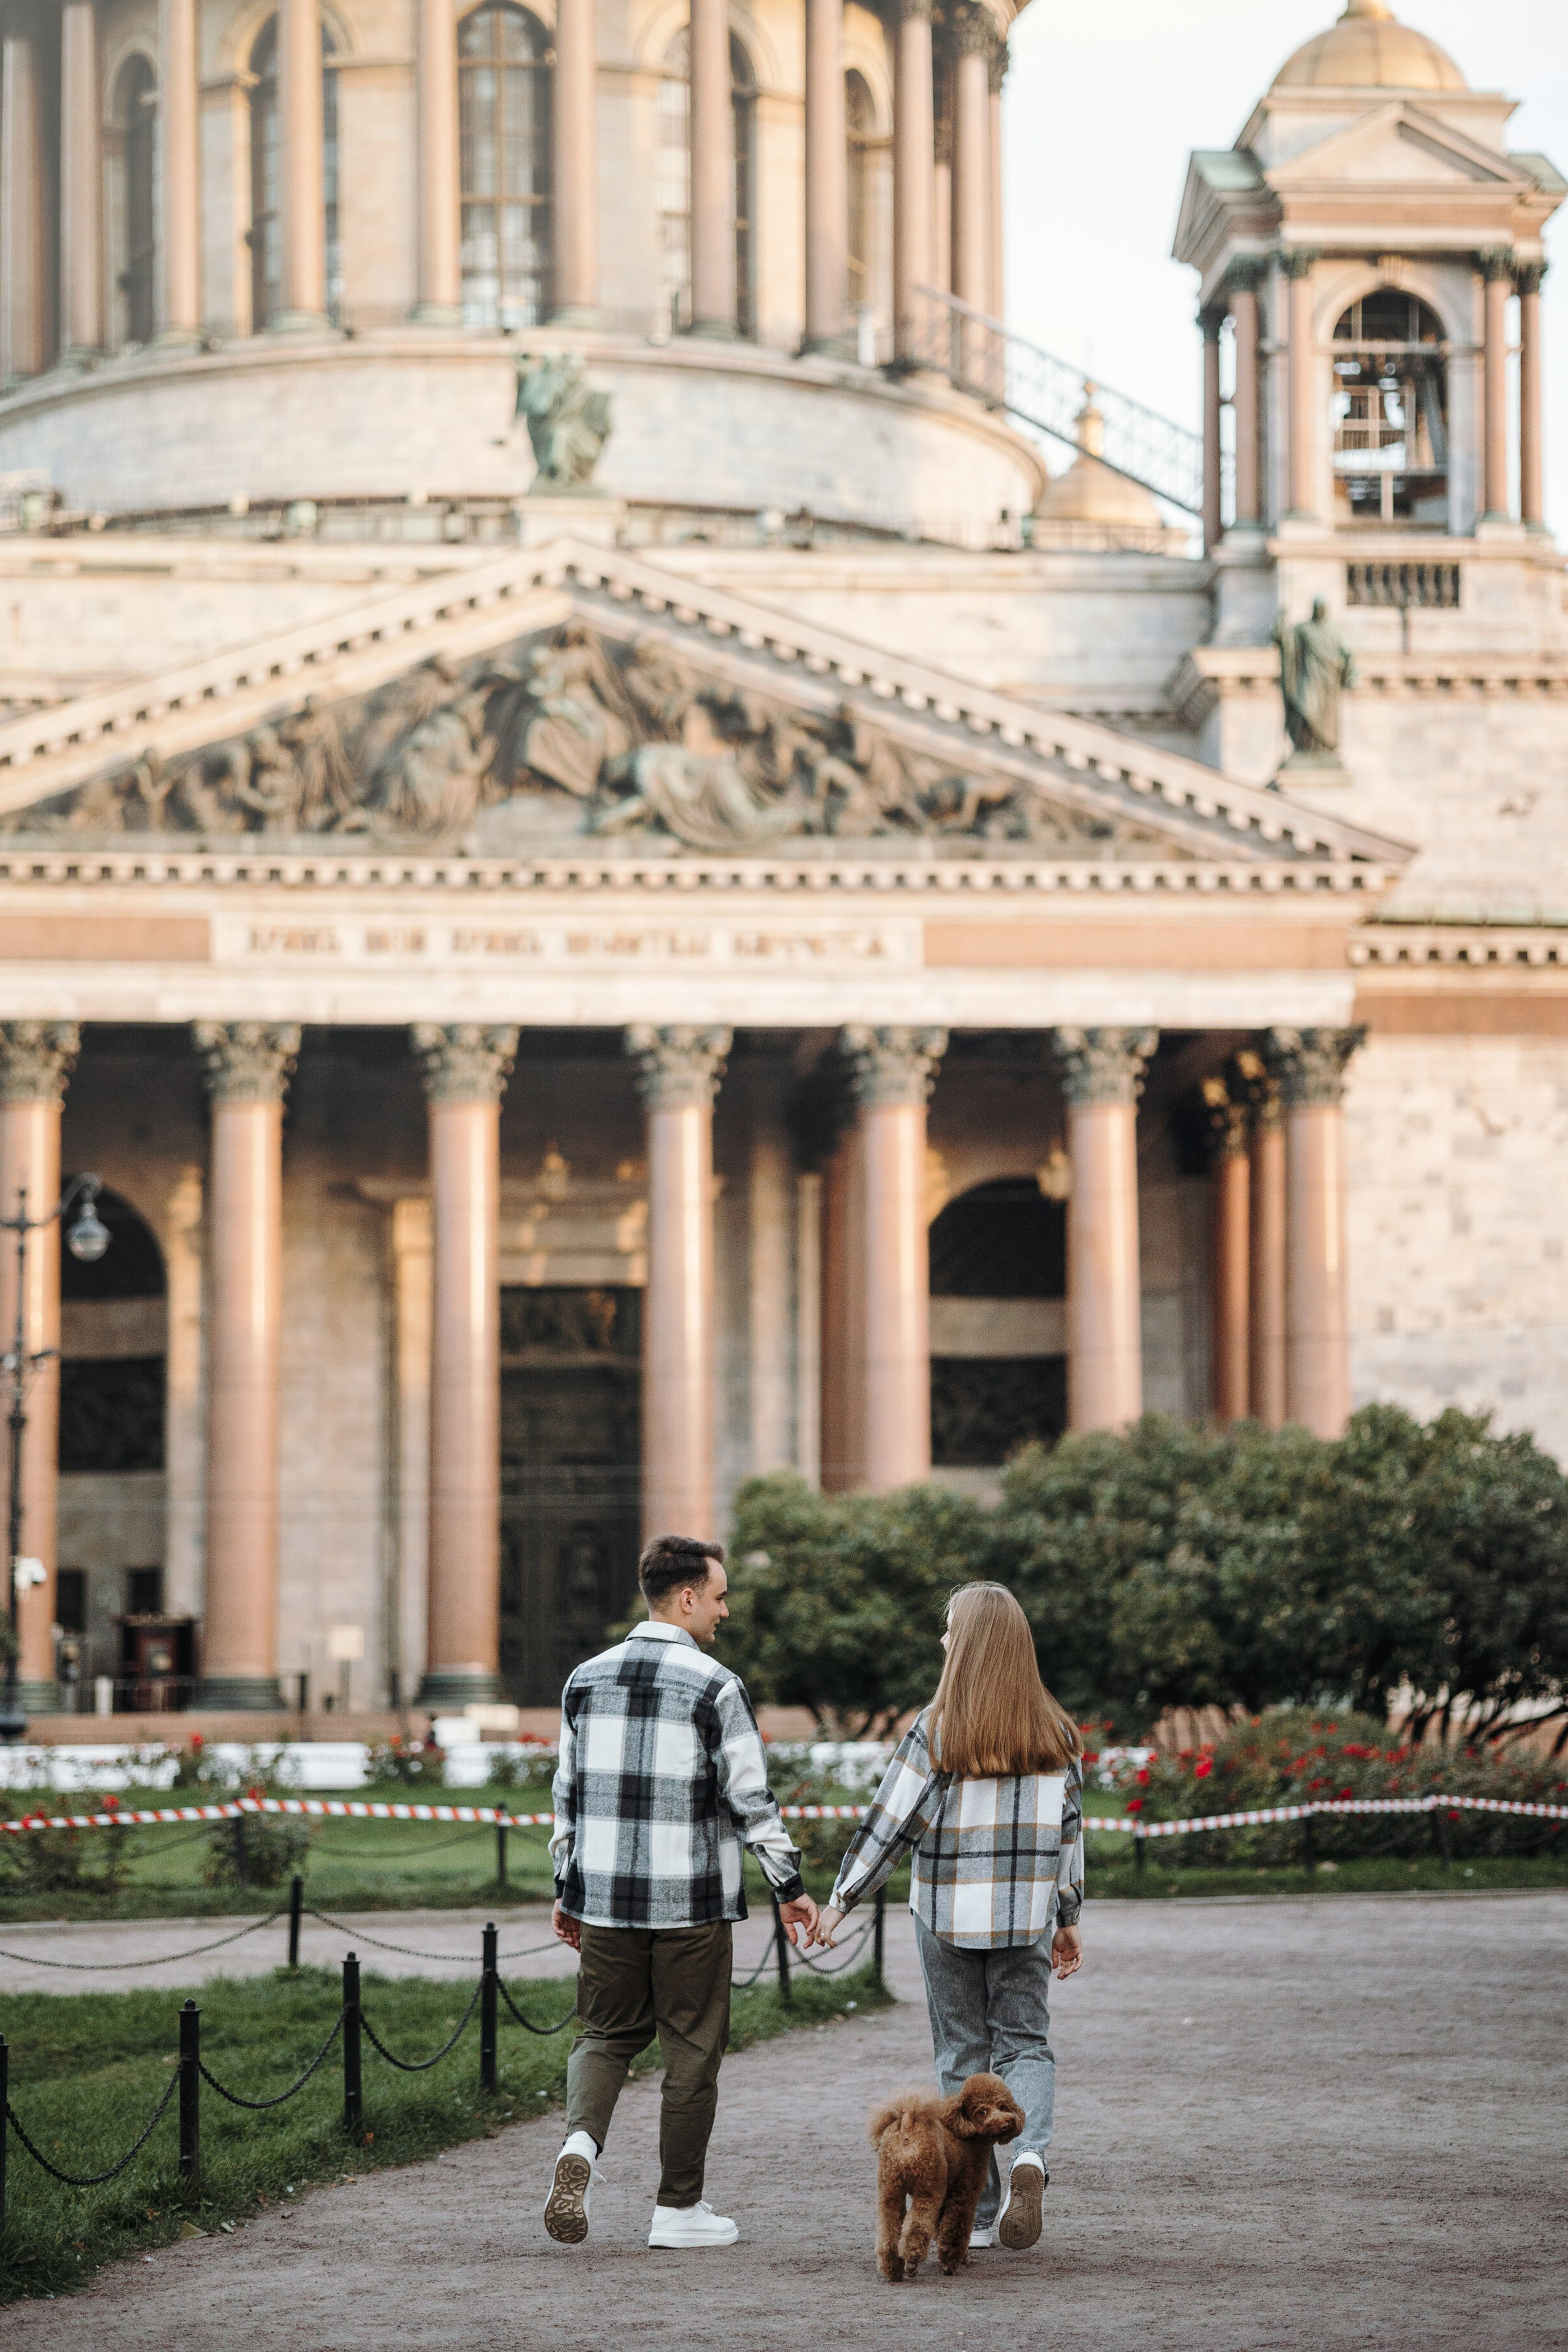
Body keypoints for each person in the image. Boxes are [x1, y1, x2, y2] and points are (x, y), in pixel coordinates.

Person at [545, 1534, 818, 2251]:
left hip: (603, 1898)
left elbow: (567, 1797)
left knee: (605, 2036)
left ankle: (579, 2150)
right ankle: (677, 2210)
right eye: (720, 1597)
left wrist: (565, 1886)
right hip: (691, 1902)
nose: (725, 1612)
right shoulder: (714, 1685)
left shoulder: (583, 1680)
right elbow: (750, 1798)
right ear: (688, 1597)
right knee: (691, 2048)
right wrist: (788, 1886)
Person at [813, 1583, 1084, 2252]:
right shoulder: (1056, 1734)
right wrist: (1068, 1914)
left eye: (948, 1630)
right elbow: (1070, 1832)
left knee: (960, 2055)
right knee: (1025, 2044)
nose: (941, 1641)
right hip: (1024, 1916)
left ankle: (982, 2208)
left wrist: (842, 1898)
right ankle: (1028, 2158)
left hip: (946, 1915)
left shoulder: (937, 1730)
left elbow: (892, 1824)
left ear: (965, 1647)